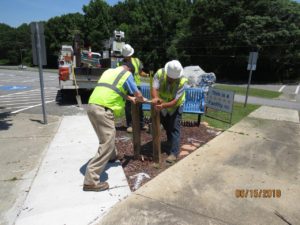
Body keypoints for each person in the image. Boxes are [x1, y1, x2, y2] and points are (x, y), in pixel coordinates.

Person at [83, 61, 145, 192]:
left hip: (92, 106)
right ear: (129, 69)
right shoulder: (126, 74)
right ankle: (91, 180)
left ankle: (113, 156)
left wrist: (129, 98)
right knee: (107, 142)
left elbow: (114, 90)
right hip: (103, 109)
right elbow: (138, 94)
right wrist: (140, 98)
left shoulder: (109, 72)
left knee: (105, 137)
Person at [151, 60, 187, 164]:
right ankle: (169, 142)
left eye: (174, 78)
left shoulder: (182, 81)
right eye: (170, 77)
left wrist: (162, 105)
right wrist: (157, 100)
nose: (171, 79)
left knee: (174, 128)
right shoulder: (159, 74)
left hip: (176, 106)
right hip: (163, 104)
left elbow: (175, 102)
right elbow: (154, 88)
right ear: (167, 73)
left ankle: (174, 153)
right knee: (167, 126)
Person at [120, 44, 149, 133]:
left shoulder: (136, 61)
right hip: (127, 88)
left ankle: (141, 124)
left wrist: (147, 75)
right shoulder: (120, 63)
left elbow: (140, 72)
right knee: (128, 107)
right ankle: (130, 125)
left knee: (139, 106)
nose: (128, 56)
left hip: (137, 86)